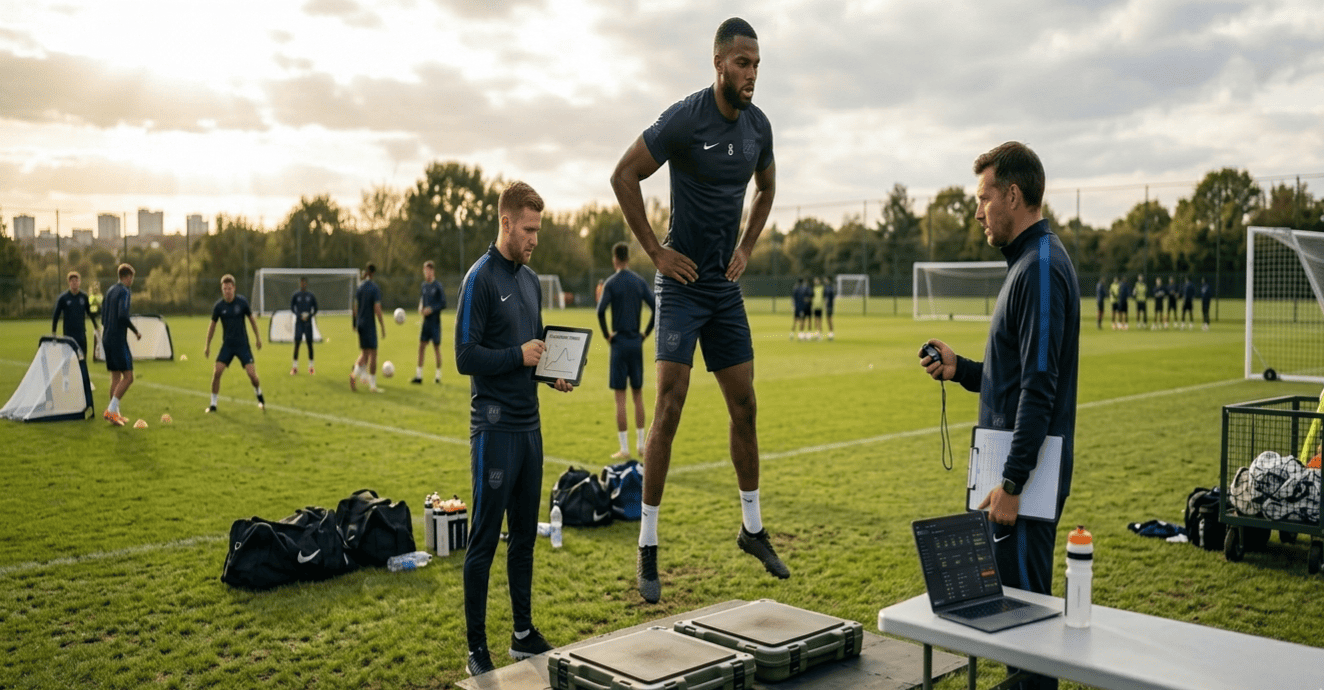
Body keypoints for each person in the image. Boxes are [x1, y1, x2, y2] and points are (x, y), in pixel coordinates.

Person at [610, 16, 787, 605]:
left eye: (757, 64)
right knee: (670, 402)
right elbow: (624, 173)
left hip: (723, 289)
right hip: (681, 285)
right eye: (743, 64)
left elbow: (767, 187)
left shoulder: (759, 126)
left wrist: (747, 247)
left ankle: (752, 529)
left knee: (747, 405)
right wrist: (656, 252)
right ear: (719, 64)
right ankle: (649, 544)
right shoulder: (685, 118)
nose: (752, 74)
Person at [921, 142, 1079, 690]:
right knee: (1016, 629)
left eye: (984, 197)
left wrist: (1012, 483)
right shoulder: (1028, 264)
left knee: (1028, 637)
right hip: (1011, 480)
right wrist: (960, 369)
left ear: (1013, 194)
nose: (978, 209)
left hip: (1020, 487)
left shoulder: (1038, 268)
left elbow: (1039, 387)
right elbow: (1013, 379)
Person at [455, 181, 574, 675]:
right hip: (495, 429)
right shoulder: (480, 279)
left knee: (525, 535)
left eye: (538, 231)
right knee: (484, 539)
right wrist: (515, 356)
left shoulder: (530, 280)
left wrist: (551, 373)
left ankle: (522, 633)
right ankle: (475, 648)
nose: (534, 239)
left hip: (530, 427)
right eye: (528, 229)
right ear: (505, 222)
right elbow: (465, 356)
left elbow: (535, 350)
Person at [597, 241, 656, 460]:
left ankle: (625, 448)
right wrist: (645, 333)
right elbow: (655, 307)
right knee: (638, 396)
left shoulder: (611, 283)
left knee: (620, 399)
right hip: (636, 343)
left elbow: (601, 311)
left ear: (615, 260)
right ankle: (641, 445)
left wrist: (606, 334)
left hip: (619, 343)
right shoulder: (639, 282)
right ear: (628, 259)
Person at [204, 274, 265, 413]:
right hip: (228, 346)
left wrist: (258, 338)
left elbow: (252, 320)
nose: (227, 291)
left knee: (252, 376)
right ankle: (213, 404)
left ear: (234, 288)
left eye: (229, 288)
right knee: (217, 371)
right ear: (222, 289)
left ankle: (259, 393)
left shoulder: (242, 302)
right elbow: (212, 326)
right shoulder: (219, 307)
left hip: (242, 345)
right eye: (224, 289)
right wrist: (207, 345)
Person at [101, 263, 141, 426]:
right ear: (128, 277)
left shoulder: (110, 291)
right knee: (129, 377)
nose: (132, 281)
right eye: (132, 277)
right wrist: (135, 330)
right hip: (118, 340)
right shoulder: (125, 291)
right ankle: (111, 409)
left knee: (116, 377)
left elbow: (103, 316)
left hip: (107, 338)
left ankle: (114, 416)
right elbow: (123, 315)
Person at [350, 264, 386, 393]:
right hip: (369, 324)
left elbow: (355, 308)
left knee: (365, 354)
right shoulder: (374, 288)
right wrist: (382, 326)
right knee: (373, 354)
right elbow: (377, 309)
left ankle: (354, 375)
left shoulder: (360, 288)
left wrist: (354, 323)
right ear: (374, 273)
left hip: (360, 323)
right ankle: (373, 386)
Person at [52, 271, 99, 362]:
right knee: (68, 360)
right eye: (72, 281)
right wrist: (54, 331)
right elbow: (56, 315)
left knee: (82, 359)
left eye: (76, 281)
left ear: (79, 282)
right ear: (69, 283)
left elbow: (90, 313)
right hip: (68, 334)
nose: (74, 283)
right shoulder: (63, 298)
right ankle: (68, 376)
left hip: (81, 333)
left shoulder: (84, 297)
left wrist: (96, 326)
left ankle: (82, 375)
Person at [413, 260, 447, 384]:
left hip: (435, 323)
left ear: (432, 271)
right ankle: (418, 376)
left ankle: (438, 376)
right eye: (424, 270)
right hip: (425, 324)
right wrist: (421, 307)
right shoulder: (424, 286)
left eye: (428, 270)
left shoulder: (438, 286)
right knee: (421, 347)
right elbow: (422, 299)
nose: (426, 273)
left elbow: (443, 304)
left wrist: (431, 309)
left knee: (436, 348)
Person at [290, 277, 318, 375]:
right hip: (299, 323)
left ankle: (311, 367)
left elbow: (316, 308)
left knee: (309, 344)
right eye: (301, 283)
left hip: (308, 323)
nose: (303, 284)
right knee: (297, 343)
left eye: (304, 283)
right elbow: (292, 307)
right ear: (300, 283)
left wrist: (309, 315)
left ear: (306, 284)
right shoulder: (296, 295)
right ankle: (294, 367)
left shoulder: (311, 296)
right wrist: (299, 315)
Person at [823, 275, 836, 341]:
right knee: (828, 319)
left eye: (825, 279)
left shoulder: (829, 288)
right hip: (830, 305)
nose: (824, 280)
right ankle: (830, 333)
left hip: (829, 306)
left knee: (829, 319)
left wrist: (825, 304)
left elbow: (827, 298)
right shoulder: (830, 287)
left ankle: (831, 333)